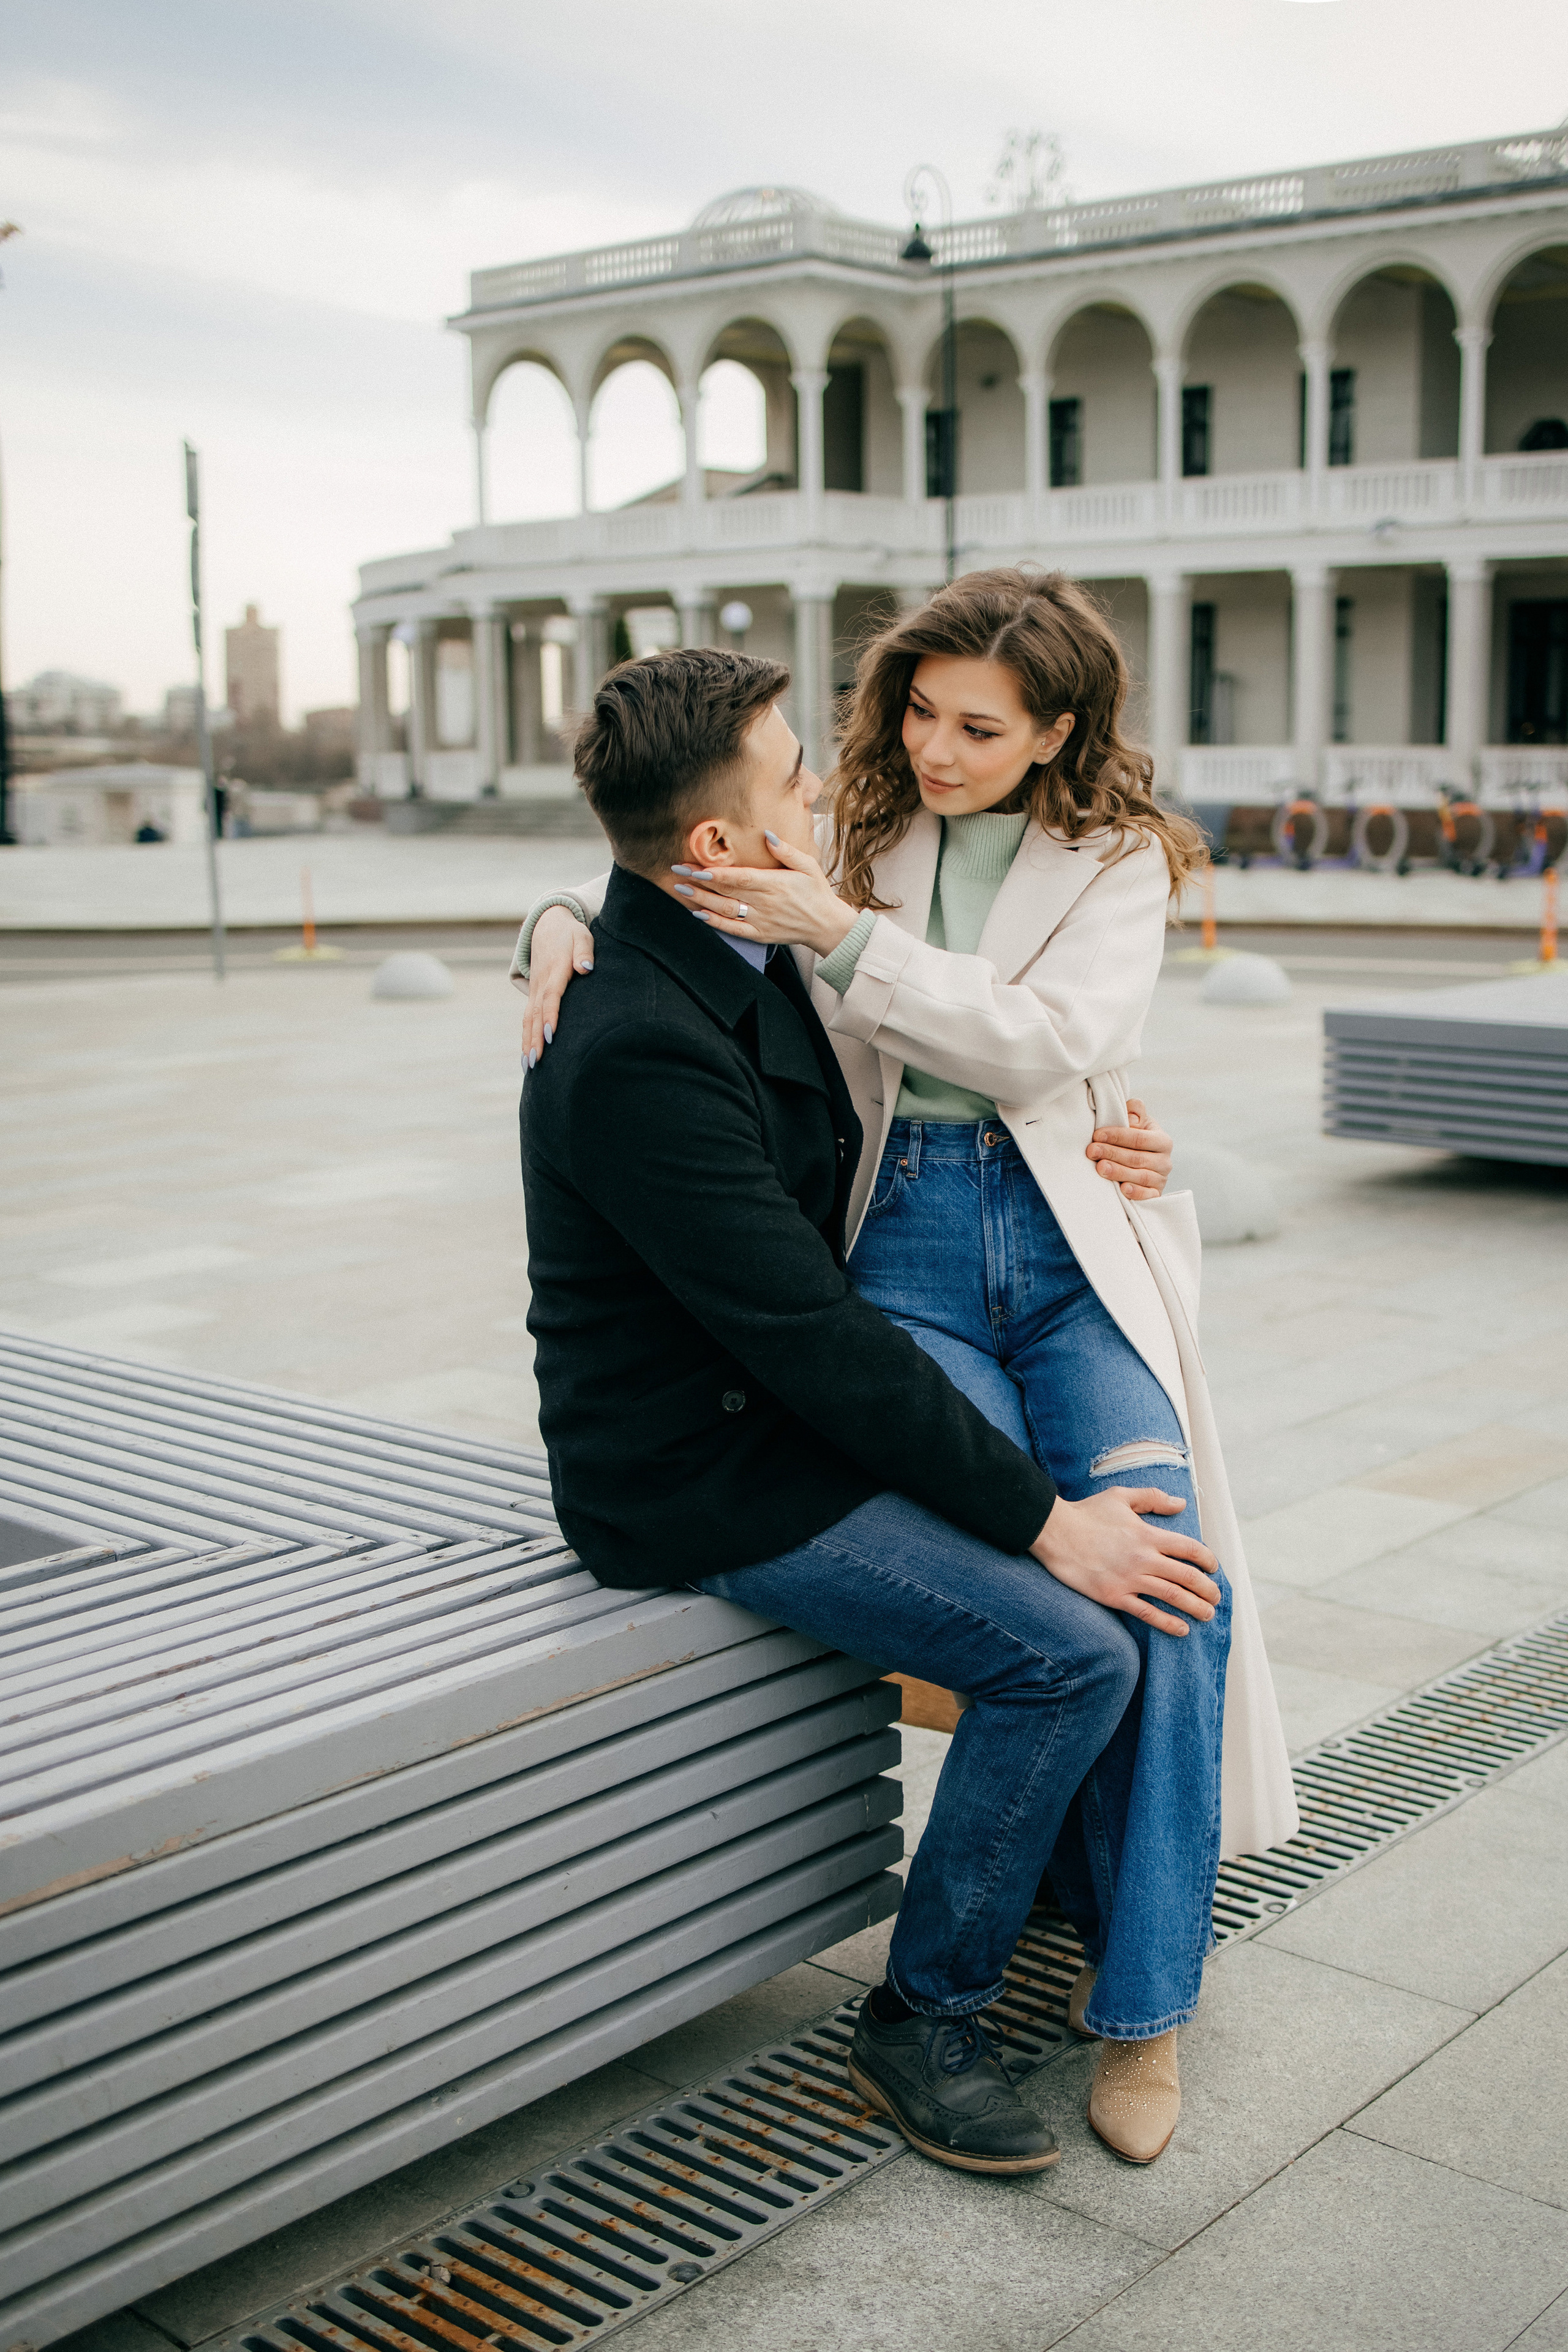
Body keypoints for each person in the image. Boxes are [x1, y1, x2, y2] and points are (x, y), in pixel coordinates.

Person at [518, 578, 1299, 2164]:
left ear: (1056, 735)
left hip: (1057, 1252)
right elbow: (670, 862)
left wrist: (811, 934)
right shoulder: (787, 894)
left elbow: (1032, 1043)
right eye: (901, 721)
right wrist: (555, 922)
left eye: (979, 727)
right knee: (1080, 1623)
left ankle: (1142, 2000)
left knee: (1172, 1588)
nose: (911, 753)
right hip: (838, 1334)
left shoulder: (1075, 865)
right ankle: (938, 1995)